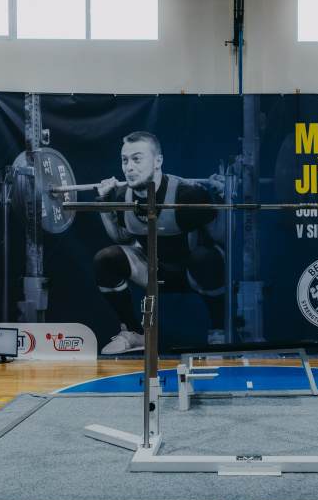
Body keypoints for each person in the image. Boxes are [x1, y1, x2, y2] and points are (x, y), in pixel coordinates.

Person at [93, 131, 226, 354]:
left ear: (158, 161)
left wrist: (223, 197)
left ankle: (219, 331)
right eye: (125, 160)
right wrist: (104, 203)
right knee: (106, 259)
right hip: (151, 272)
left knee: (207, 258)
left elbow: (221, 237)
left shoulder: (187, 194)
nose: (129, 168)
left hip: (191, 273)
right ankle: (134, 333)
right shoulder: (123, 196)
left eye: (137, 159)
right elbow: (120, 237)